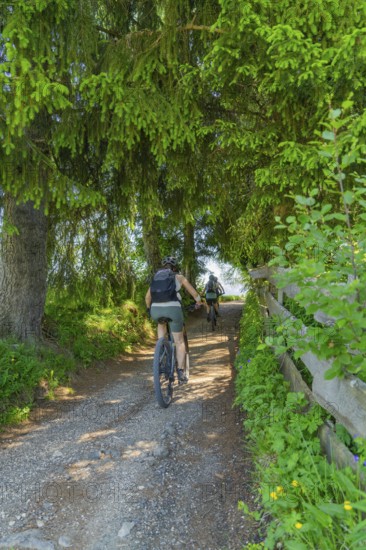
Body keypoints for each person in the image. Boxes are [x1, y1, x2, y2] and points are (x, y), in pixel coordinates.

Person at [145, 256, 202, 382]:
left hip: (156, 310)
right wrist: (199, 302)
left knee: (161, 324)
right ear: (175, 267)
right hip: (173, 309)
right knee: (179, 341)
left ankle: (161, 348)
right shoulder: (179, 277)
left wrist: (149, 309)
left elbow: (147, 297)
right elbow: (194, 293)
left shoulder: (156, 277)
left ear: (163, 267)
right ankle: (180, 372)